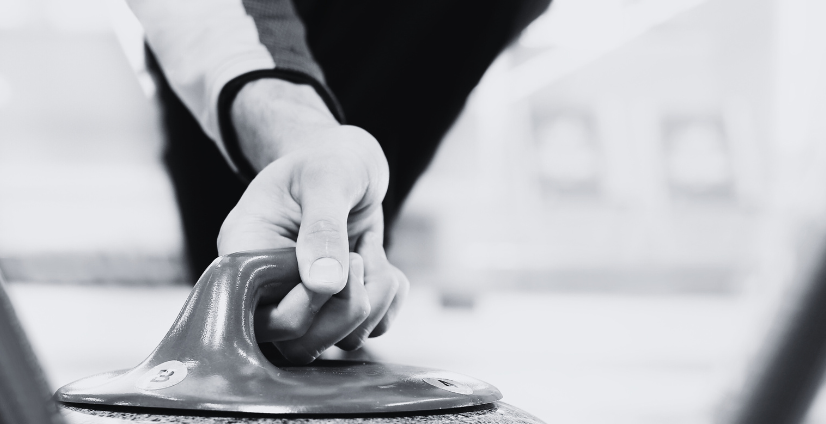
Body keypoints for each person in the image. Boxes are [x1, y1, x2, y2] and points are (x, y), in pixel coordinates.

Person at [128, 0, 550, 363]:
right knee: (253, 307)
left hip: (408, 49)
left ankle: (336, 208)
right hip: (238, 61)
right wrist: (298, 132)